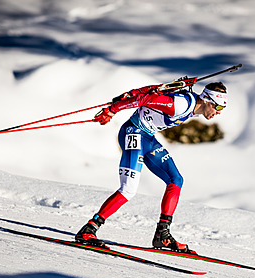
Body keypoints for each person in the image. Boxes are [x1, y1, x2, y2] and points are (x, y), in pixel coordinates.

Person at [75, 81, 228, 254]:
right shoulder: (179, 105)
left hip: (148, 138)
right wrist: (112, 110)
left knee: (175, 180)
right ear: (207, 100)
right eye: (218, 108)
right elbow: (144, 99)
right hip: (133, 132)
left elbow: (156, 91)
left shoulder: (193, 106)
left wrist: (131, 92)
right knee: (128, 190)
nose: (217, 113)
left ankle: (162, 234)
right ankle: (88, 230)